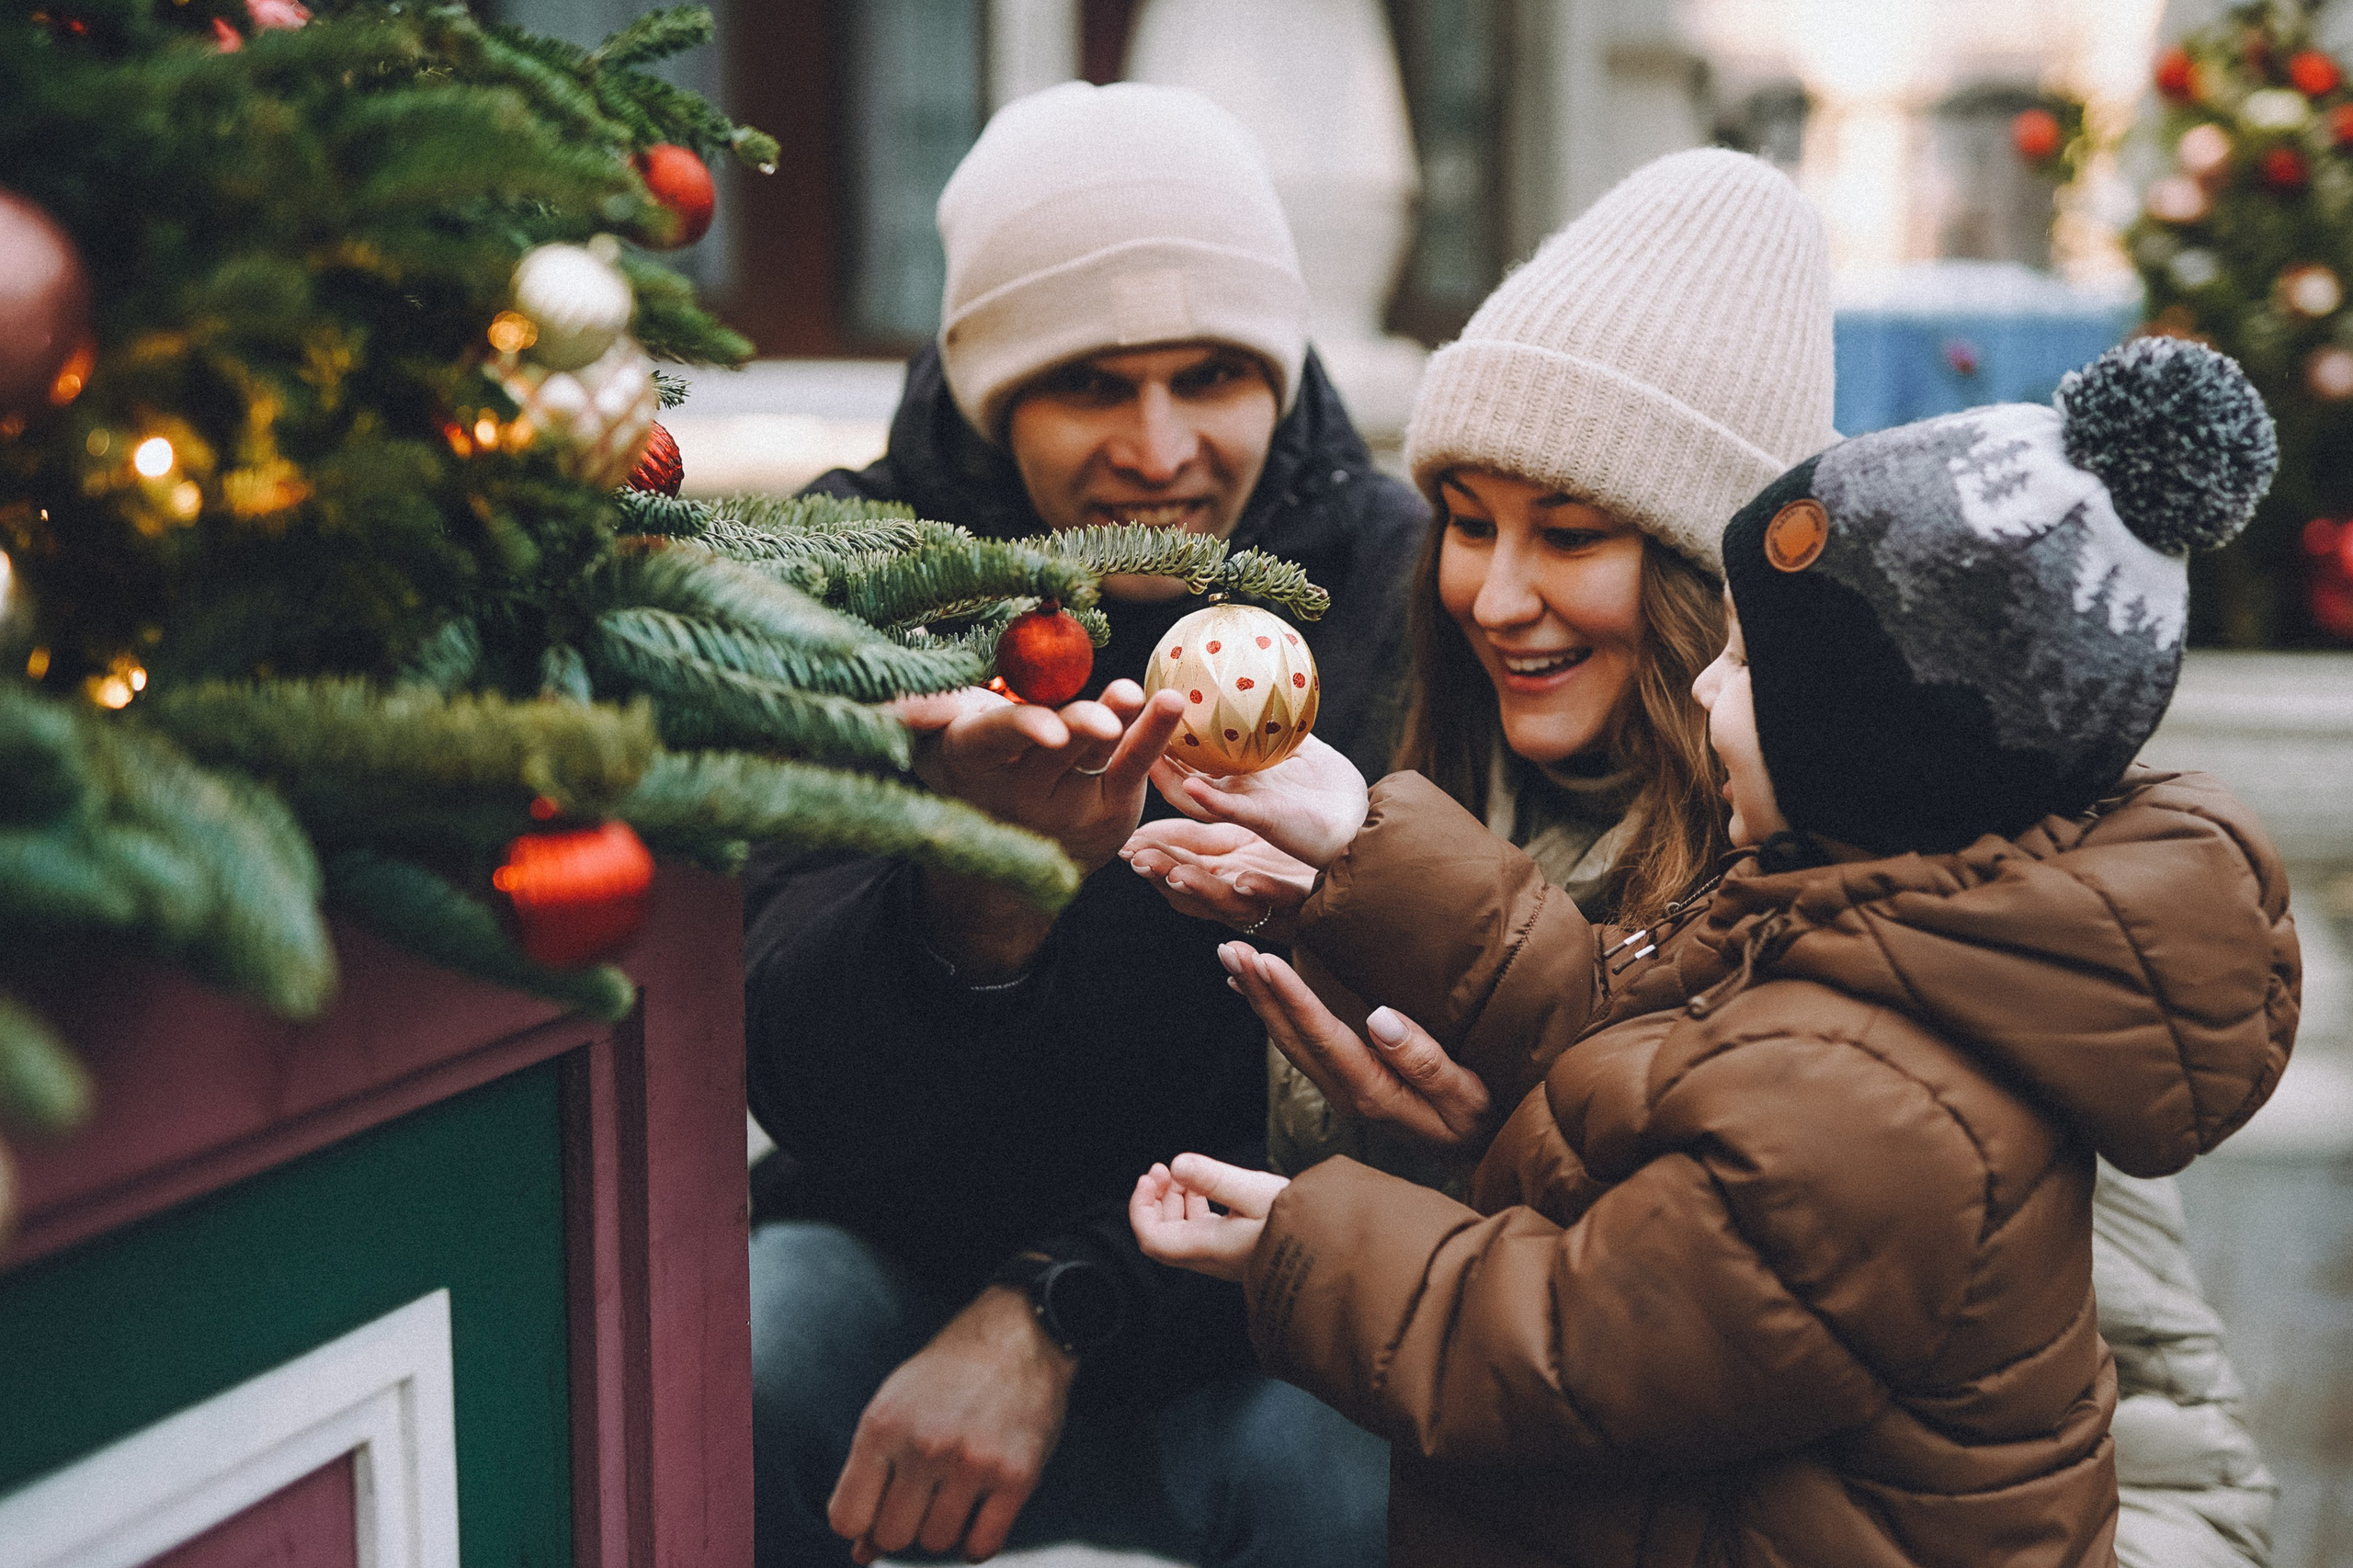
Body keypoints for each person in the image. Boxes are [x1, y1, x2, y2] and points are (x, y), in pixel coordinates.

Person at [1127, 149, 2279, 1567]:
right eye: (1468, 522)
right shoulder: (1661, 848)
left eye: (1570, 533)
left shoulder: (1947, 958)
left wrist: (1351, 1214)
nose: (1495, 594)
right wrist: (1362, 838)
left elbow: (2162, 1450)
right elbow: (1617, 1032)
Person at [741, 80, 1423, 1567]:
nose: (1162, 445)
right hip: (893, 1263)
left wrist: (1066, 1300)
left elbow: (1405, 1110)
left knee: (1370, 1467)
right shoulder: (860, 574)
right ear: (993, 390)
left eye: (1215, 373)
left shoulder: (1390, 583)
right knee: (746, 1345)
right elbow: (782, 1054)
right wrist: (977, 904)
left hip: (1248, 1309)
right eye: (1092, 384)